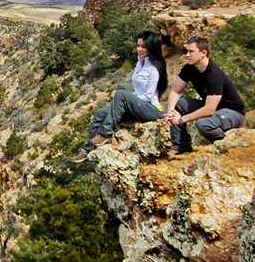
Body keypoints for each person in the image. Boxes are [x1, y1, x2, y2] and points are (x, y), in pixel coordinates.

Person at [73, 30, 167, 163]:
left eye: (143, 46)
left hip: (152, 109)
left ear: (151, 47)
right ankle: (87, 150)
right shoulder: (141, 63)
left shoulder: (154, 68)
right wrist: (126, 103)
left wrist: (127, 102)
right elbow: (138, 91)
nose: (139, 49)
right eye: (138, 45)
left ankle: (105, 133)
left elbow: (148, 96)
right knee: (100, 113)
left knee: (121, 94)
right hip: (140, 104)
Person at [163, 36, 246, 154]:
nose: (187, 54)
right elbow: (175, 91)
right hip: (212, 107)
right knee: (178, 103)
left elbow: (209, 109)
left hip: (232, 112)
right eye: (187, 51)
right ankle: (181, 147)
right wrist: (171, 112)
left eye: (191, 51)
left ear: (203, 53)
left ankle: (227, 146)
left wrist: (181, 120)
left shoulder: (214, 75)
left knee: (204, 124)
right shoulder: (189, 68)